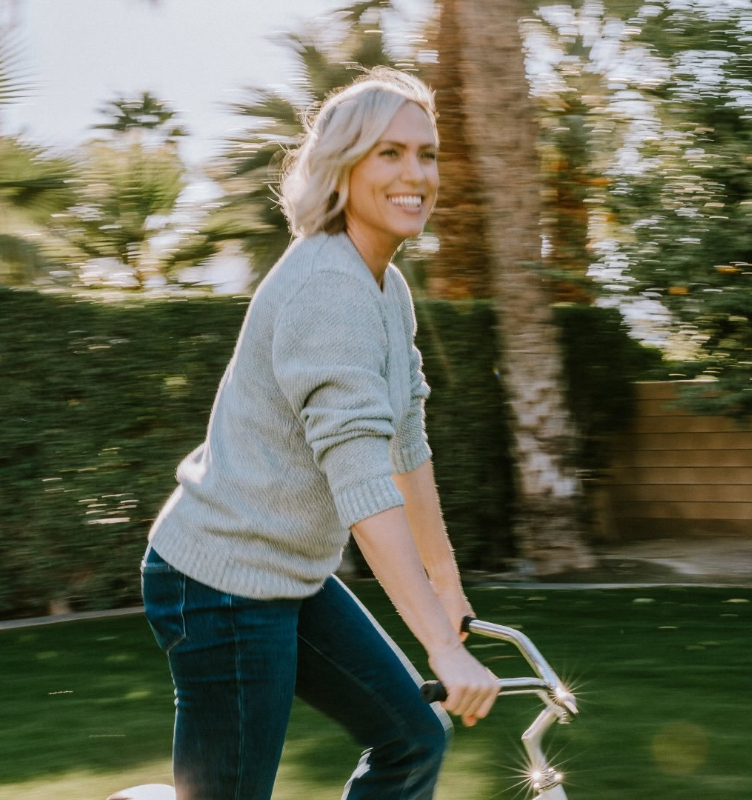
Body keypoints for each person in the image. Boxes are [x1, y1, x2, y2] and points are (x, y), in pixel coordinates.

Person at [141, 66, 500, 800]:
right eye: (389, 153)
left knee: (412, 739)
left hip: (292, 574)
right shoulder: (327, 288)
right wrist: (439, 646)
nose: (416, 174)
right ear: (342, 167)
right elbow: (363, 484)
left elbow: (406, 445)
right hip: (219, 582)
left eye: (427, 154)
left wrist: (447, 588)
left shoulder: (384, 286)